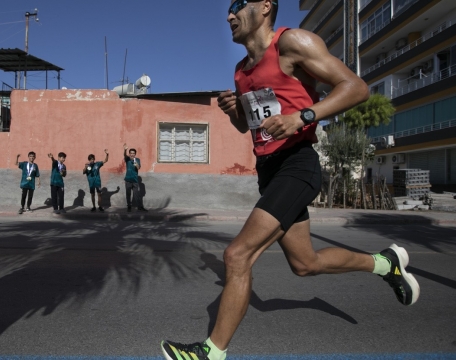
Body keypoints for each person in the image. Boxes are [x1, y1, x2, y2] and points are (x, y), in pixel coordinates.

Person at [160, 1, 419, 360]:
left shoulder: (293, 43)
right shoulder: (241, 71)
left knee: (237, 256)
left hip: (297, 164)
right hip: (269, 170)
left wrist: (304, 116)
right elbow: (252, 128)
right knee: (305, 264)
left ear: (266, 6)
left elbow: (357, 88)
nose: (229, 15)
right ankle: (384, 263)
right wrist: (236, 112)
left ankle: (211, 353)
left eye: (238, 5)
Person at [123, 144, 147, 212]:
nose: (132, 154)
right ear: (129, 154)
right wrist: (125, 150)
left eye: (133, 153)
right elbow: (124, 155)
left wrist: (134, 161)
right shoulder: (127, 159)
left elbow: (138, 167)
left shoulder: (137, 160)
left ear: (135, 154)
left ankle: (140, 207)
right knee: (128, 194)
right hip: (128, 180)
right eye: (131, 153)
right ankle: (129, 206)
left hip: (135, 180)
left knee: (137, 194)